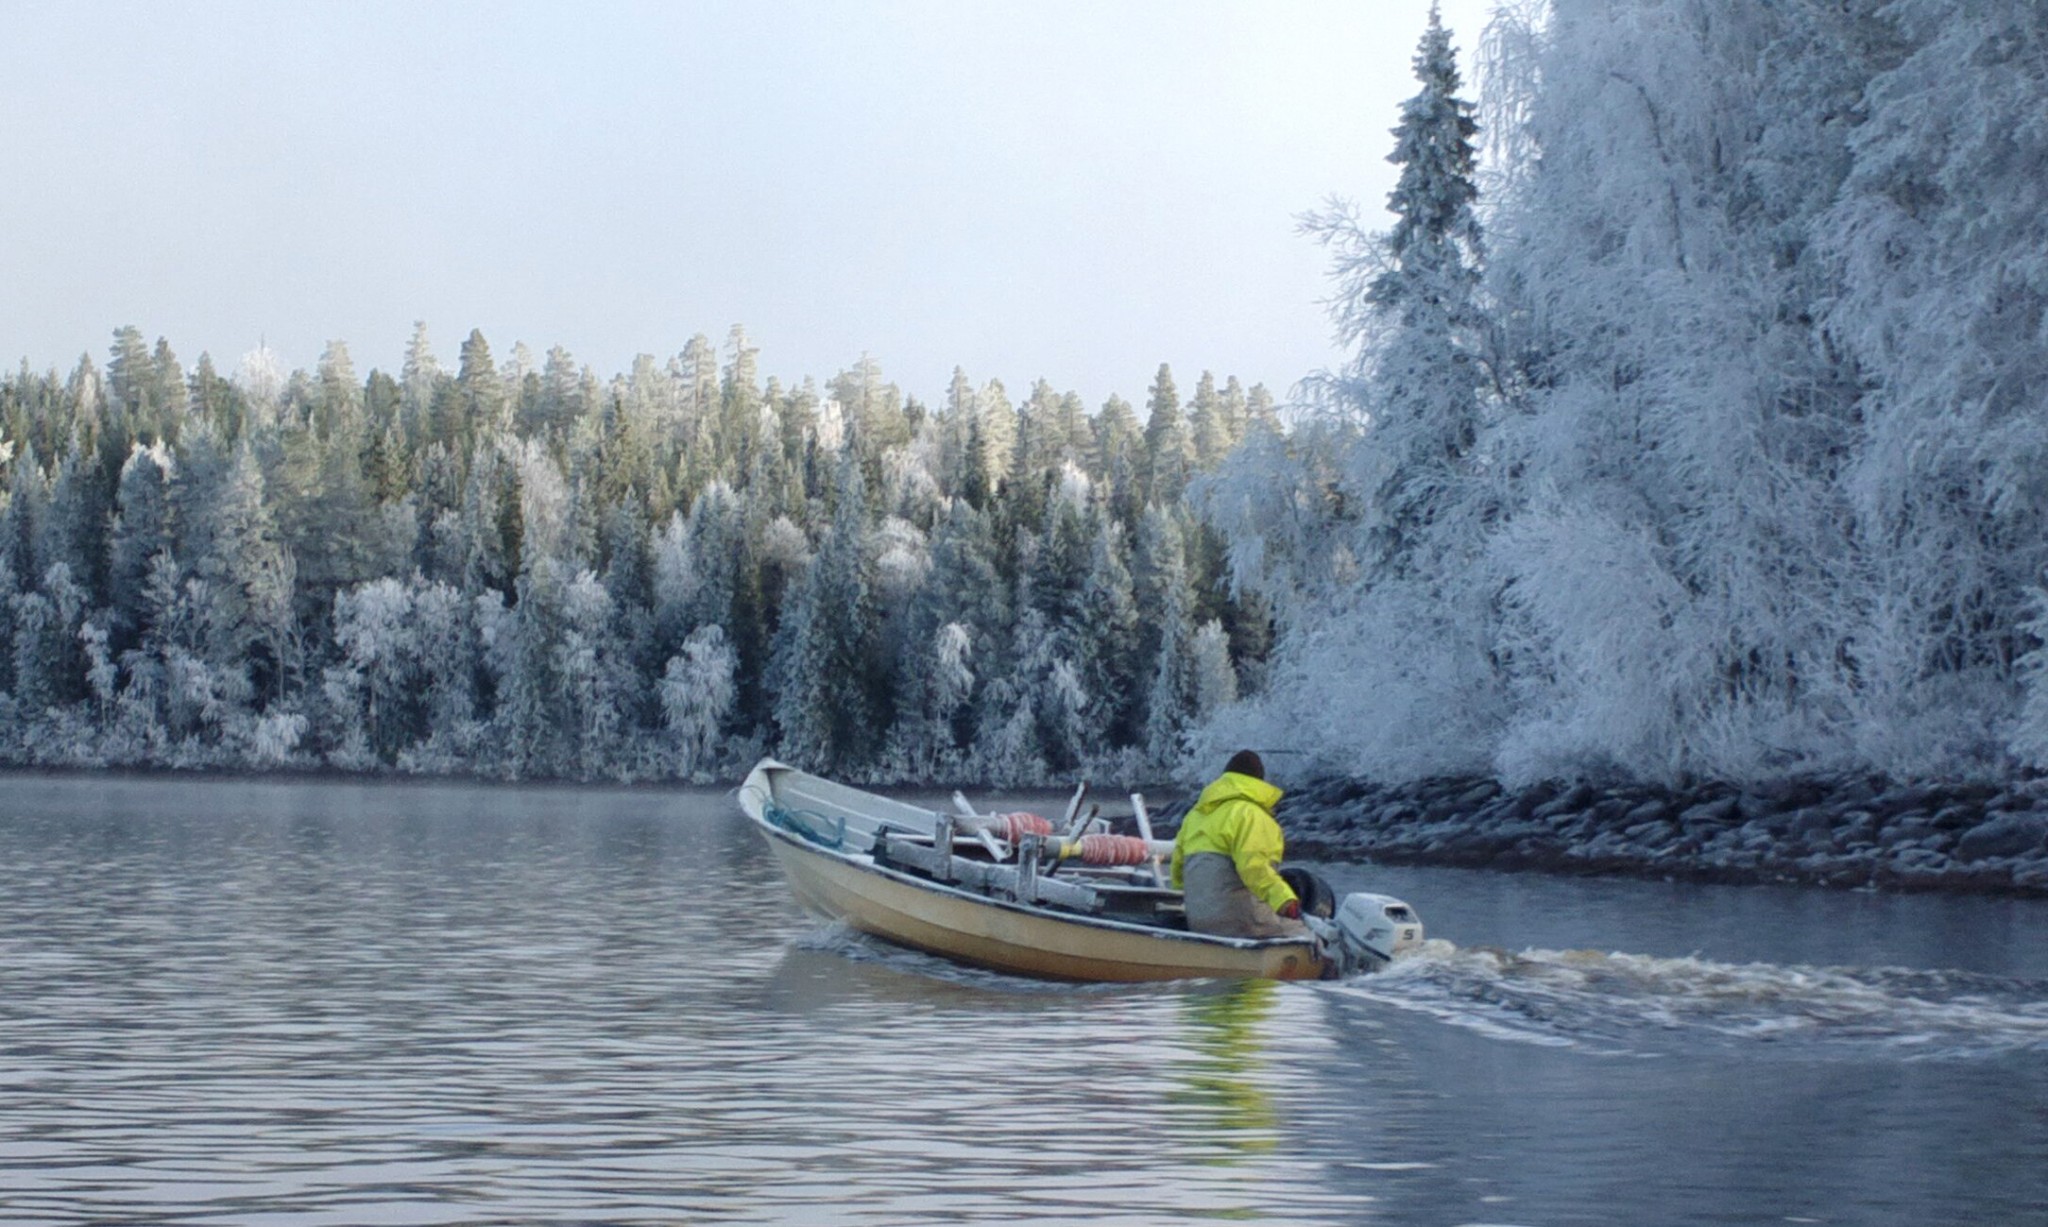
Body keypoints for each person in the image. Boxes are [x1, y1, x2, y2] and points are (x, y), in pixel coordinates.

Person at [1169, 750, 1306, 938]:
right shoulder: (1250, 815)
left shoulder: (1194, 816)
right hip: (1245, 924)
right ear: (1258, 782)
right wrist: (1286, 901)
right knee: (1309, 938)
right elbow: (1254, 869)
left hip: (1198, 923)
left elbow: (1177, 872)